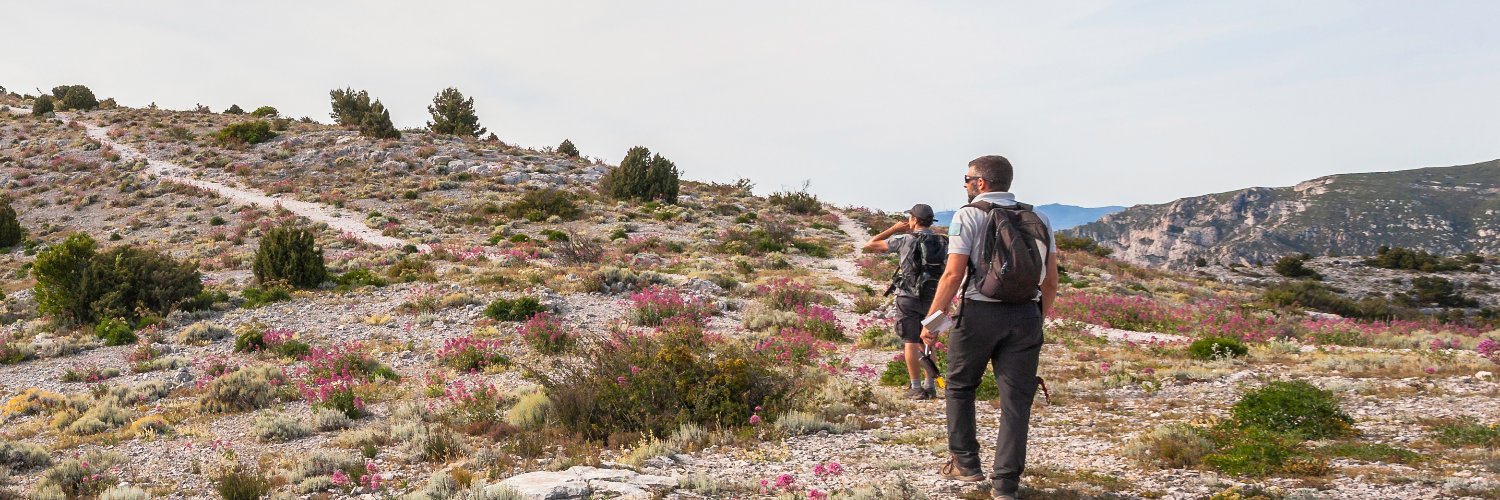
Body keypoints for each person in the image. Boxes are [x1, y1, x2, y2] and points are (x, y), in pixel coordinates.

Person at [920, 155, 1059, 499]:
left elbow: (953, 275)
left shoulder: (969, 215)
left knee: (960, 386)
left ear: (980, 183)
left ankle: (966, 463)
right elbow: (1051, 280)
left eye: (966, 179)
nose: (966, 185)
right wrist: (1036, 318)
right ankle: (1006, 485)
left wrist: (932, 320)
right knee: (1016, 401)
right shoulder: (1039, 217)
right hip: (1026, 315)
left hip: (978, 315)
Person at [862, 204, 947, 399]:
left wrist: (893, 229)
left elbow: (870, 244)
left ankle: (915, 387)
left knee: (910, 342)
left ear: (914, 220)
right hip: (935, 299)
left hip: (907, 297)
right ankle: (931, 386)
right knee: (928, 342)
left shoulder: (904, 240)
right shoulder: (943, 241)